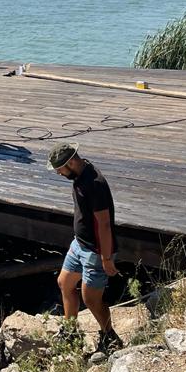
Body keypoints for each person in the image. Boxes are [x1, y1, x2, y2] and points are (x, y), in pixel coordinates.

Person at [49, 142, 123, 353]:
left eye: (60, 169)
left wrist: (107, 258)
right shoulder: (79, 175)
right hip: (78, 244)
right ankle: (71, 332)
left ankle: (109, 335)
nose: (58, 173)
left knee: (90, 298)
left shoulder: (94, 183)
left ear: (71, 162)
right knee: (64, 283)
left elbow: (105, 223)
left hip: (95, 251)